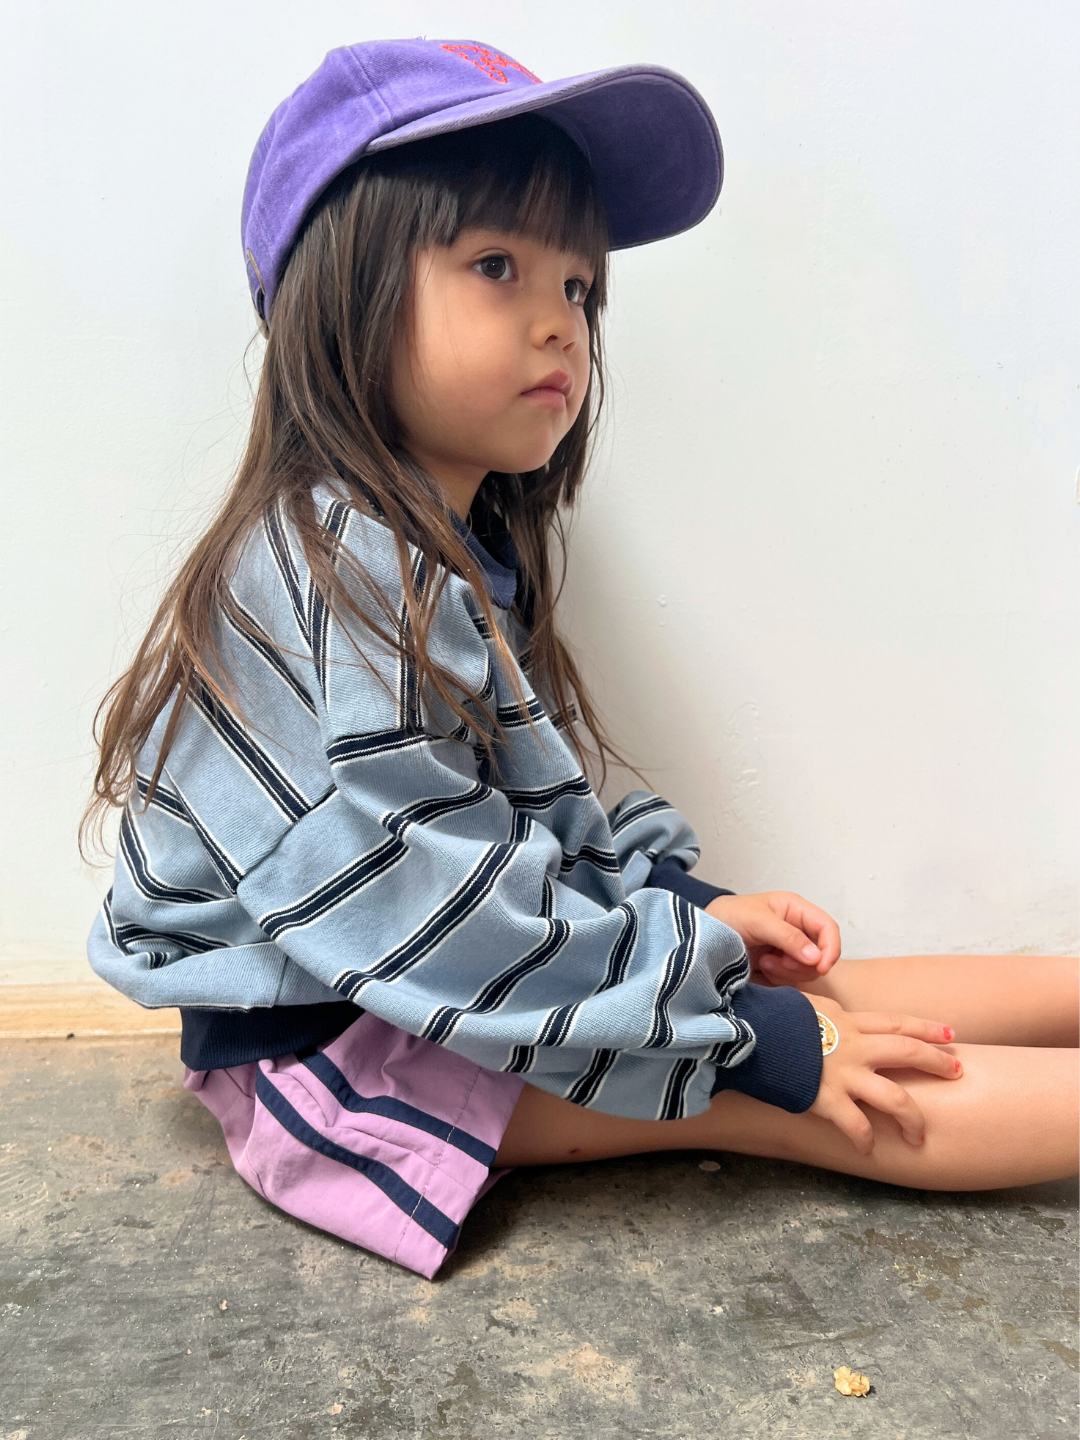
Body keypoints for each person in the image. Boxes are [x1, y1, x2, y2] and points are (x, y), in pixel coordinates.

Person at [83, 38, 1078, 1280]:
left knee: (831, 1009)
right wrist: (758, 1040)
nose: (560, 320)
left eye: (580, 287)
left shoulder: (440, 551)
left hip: (435, 964)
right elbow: (431, 911)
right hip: (343, 1038)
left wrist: (688, 915)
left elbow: (504, 824)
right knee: (827, 1092)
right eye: (498, 266)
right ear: (339, 288)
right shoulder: (330, 575)